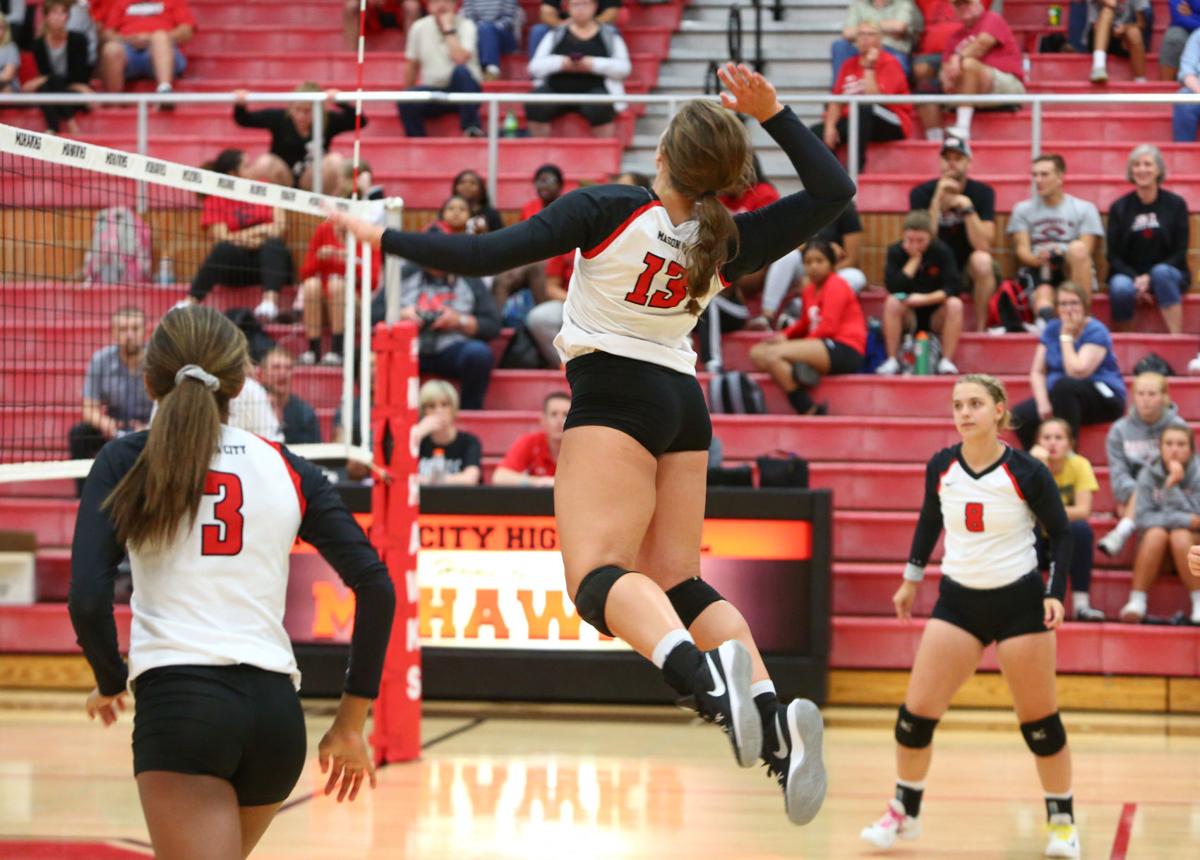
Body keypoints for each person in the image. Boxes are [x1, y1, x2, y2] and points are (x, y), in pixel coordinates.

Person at [327, 63, 857, 826]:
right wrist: (775, 113)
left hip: (614, 396)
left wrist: (382, 233)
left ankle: (710, 686)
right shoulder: (727, 238)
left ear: (665, 157)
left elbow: (485, 256)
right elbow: (835, 191)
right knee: (678, 582)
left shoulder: (607, 208)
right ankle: (772, 721)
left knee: (598, 581)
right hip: (684, 403)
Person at [68, 306, 395, 859]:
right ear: (240, 382)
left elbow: (87, 597)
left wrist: (109, 677)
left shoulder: (126, 458)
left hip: (182, 710)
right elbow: (376, 586)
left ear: (148, 379)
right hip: (274, 718)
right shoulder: (288, 466)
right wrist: (349, 723)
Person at [860, 374, 1079, 859]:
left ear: (999, 410)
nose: (964, 412)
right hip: (958, 603)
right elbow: (928, 520)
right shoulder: (942, 466)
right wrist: (911, 579)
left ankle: (1061, 820)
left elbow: (1063, 534)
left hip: (1020, 604)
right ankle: (904, 811)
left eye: (976, 403)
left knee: (1040, 725)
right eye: (958, 404)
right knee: (913, 719)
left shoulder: (1027, 472)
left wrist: (1055, 592)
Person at [748, 240, 866, 415]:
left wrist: (796, 347)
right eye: (808, 262)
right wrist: (785, 336)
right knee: (757, 353)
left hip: (844, 347)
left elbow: (828, 328)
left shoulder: (837, 284)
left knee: (773, 353)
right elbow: (804, 323)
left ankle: (803, 375)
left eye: (819, 261)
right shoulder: (809, 290)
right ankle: (807, 407)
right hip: (820, 344)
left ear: (832, 264)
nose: (814, 267)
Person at [178, 149, 292, 323]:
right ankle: (189, 303)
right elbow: (222, 238)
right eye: (247, 166)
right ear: (233, 173)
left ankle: (269, 305)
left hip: (269, 266)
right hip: (237, 269)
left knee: (274, 244)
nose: (253, 168)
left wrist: (239, 236)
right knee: (223, 249)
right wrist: (260, 232)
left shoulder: (266, 187)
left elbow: (280, 226)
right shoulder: (216, 199)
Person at [1010, 281, 1126, 451]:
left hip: (1103, 396)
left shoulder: (1096, 330)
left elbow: (1077, 371)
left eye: (1074, 303)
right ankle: (1040, 467)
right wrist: (1043, 402)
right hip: (1062, 398)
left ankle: (1069, 458)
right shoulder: (1051, 329)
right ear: (1057, 308)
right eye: (1063, 304)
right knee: (1021, 416)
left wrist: (1066, 336)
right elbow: (1037, 371)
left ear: (1084, 305)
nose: (1069, 309)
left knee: (1065, 386)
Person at [908, 135, 998, 332]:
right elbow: (922, 243)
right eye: (946, 158)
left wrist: (967, 208)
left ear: (968, 162)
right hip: (933, 265)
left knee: (982, 261)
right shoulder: (921, 193)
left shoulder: (983, 193)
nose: (951, 163)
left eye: (958, 158)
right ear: (939, 162)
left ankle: (981, 328)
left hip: (967, 268)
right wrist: (937, 200)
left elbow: (983, 245)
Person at [1008, 154, 1104, 327]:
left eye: (1044, 174)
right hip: (1039, 268)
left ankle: (1082, 321)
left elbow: (1086, 249)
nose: (1038, 180)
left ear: (1060, 177)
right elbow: (1022, 251)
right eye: (1035, 175)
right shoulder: (1022, 209)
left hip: (1070, 267)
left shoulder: (1084, 208)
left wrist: (1062, 254)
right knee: (1043, 294)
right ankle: (1047, 323)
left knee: (1077, 249)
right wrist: (1039, 259)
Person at [1099, 372, 1188, 556]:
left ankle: (1121, 531)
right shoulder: (1119, 430)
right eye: (1140, 394)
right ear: (1133, 396)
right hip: (1132, 495)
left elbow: (1185, 471)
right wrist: (1134, 495)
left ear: (1164, 397)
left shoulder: (1178, 427)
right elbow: (1118, 473)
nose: (1145, 400)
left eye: (1152, 394)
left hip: (1171, 493)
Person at [1105, 144, 1190, 334]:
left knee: (1162, 273)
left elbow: (1180, 251)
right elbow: (1113, 256)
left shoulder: (1176, 205)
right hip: (1129, 275)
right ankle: (1124, 342)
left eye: (1147, 164)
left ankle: (1176, 338)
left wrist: (1150, 277)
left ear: (1158, 169)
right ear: (1130, 170)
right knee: (1120, 288)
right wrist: (1137, 279)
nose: (1142, 169)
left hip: (1169, 273)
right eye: (1136, 165)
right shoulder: (1119, 208)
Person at [1120, 424, 1200, 624]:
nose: (1174, 449)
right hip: (1156, 550)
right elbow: (1143, 518)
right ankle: (1137, 601)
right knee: (1157, 533)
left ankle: (1199, 602)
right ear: (1160, 448)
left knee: (1180, 535)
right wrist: (1182, 519)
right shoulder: (1148, 474)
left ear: (1191, 449)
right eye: (1169, 443)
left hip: (1191, 547)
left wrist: (1172, 487)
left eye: (1181, 444)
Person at [68, 307, 153, 494]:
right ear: (114, 332)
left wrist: (150, 427)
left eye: (135, 328)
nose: (129, 335)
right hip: (114, 428)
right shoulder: (101, 360)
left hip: (150, 429)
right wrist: (106, 424)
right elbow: (89, 408)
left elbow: (168, 406)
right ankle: (83, 496)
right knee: (79, 433)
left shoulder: (157, 360)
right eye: (123, 329)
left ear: (145, 330)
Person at [400, 257, 500, 410]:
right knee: (382, 356)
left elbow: (492, 325)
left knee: (479, 354)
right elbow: (373, 314)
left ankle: (469, 413)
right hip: (411, 347)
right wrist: (401, 315)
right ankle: (398, 412)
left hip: (453, 346)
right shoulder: (405, 274)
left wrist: (458, 320)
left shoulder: (469, 277)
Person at [1030, 418, 1106, 621]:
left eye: (1058, 437)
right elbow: (1024, 511)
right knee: (1029, 529)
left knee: (1081, 529)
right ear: (1037, 442)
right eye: (1046, 438)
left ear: (1070, 443)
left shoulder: (1080, 465)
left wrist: (1046, 511)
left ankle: (1081, 605)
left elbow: (1083, 511)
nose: (1052, 443)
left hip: (1064, 543)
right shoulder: (1029, 467)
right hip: (1037, 544)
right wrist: (1038, 468)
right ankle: (1029, 604)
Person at [919, 0, 1024, 141]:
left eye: (967, 3)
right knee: (925, 89)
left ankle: (962, 127)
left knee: (969, 64)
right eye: (958, 5)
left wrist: (958, 57)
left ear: (978, 3)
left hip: (1005, 83)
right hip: (968, 88)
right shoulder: (955, 37)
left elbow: (982, 44)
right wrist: (947, 79)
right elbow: (945, 69)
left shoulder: (991, 18)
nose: (963, 7)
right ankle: (935, 141)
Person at [813, 21, 912, 171]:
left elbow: (875, 99)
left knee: (864, 107)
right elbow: (837, 99)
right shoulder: (848, 64)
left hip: (892, 121)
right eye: (861, 34)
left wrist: (869, 67)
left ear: (880, 39)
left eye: (870, 34)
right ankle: (834, 176)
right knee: (816, 132)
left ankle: (855, 167)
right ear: (856, 40)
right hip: (859, 120)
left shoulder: (890, 63)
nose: (865, 38)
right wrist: (830, 126)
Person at [526, 0, 631, 139]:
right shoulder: (555, 34)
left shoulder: (609, 35)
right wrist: (561, 63)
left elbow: (624, 68)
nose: (580, 9)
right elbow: (534, 67)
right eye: (575, 5)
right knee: (536, 103)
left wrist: (592, 64)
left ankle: (602, 154)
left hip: (595, 89)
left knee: (601, 106)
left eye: (585, 4)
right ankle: (539, 152)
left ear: (594, 7)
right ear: (568, 8)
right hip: (556, 89)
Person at [877, 209, 963, 376]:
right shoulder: (895, 251)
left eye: (920, 241)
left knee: (955, 304)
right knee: (892, 302)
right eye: (910, 239)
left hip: (934, 314)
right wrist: (914, 260)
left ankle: (946, 361)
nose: (915, 245)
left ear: (930, 237)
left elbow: (953, 287)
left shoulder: (942, 251)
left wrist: (923, 299)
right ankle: (892, 360)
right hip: (908, 315)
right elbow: (894, 287)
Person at [758, 200, 867, 327]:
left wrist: (822, 275)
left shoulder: (846, 209)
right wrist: (821, 250)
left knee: (857, 277)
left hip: (834, 270)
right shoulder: (802, 204)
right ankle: (767, 316)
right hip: (807, 267)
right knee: (787, 257)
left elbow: (852, 259)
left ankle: (804, 310)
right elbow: (787, 245)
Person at [233, 84, 362, 191]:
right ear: (291, 107)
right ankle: (273, 208)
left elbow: (360, 121)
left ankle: (325, 211)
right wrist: (240, 104)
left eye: (307, 111)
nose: (301, 116)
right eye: (297, 109)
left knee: (335, 161)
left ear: (319, 109)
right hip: (284, 179)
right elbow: (244, 120)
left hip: (312, 180)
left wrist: (341, 102)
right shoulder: (280, 117)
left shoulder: (327, 120)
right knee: (264, 162)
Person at [298, 209, 381, 366]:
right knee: (311, 285)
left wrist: (347, 259)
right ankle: (313, 350)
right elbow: (305, 274)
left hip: (355, 304)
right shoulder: (323, 230)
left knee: (337, 284)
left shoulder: (367, 234)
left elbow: (372, 282)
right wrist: (319, 258)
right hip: (323, 305)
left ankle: (338, 350)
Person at [398, 0, 483, 138]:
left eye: (447, 1)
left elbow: (460, 58)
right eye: (436, 1)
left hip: (466, 90)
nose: (441, 5)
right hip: (434, 91)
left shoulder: (467, 25)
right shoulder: (418, 27)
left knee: (461, 72)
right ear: (428, 5)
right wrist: (409, 94)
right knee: (405, 99)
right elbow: (412, 65)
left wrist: (448, 28)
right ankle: (418, 143)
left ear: (455, 5)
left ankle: (472, 128)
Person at [98, 0, 194, 103]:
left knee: (160, 37)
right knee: (111, 49)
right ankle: (114, 102)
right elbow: (107, 33)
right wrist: (127, 39)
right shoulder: (121, 2)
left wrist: (152, 38)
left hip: (163, 51)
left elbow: (186, 31)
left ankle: (164, 91)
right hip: (128, 50)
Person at [24, 0, 95, 134]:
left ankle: (52, 129)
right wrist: (49, 79)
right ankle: (70, 122)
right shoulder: (38, 44)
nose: (58, 17)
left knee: (45, 87)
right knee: (46, 88)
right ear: (46, 17)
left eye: (62, 13)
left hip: (74, 94)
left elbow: (80, 76)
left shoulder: (79, 40)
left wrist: (44, 79)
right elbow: (48, 75)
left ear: (67, 17)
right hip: (57, 92)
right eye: (54, 13)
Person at [492, 391, 570, 485]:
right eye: (554, 414)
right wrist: (538, 482)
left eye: (565, 415)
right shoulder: (530, 442)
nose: (559, 421)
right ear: (543, 420)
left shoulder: (582, 446)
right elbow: (499, 477)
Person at [830, 0, 922, 78]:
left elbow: (899, 27)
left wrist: (865, 28)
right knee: (840, 46)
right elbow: (847, 33)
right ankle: (840, 95)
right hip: (861, 49)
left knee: (898, 61)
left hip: (890, 49)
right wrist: (885, 28)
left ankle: (890, 97)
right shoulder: (859, 4)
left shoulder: (902, 2)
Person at [415, 379, 482, 485]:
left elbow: (470, 479)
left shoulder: (469, 442)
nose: (438, 411)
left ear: (454, 408)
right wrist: (417, 433)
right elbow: (403, 477)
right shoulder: (419, 440)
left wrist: (431, 481)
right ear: (423, 411)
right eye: (431, 406)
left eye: (444, 404)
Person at [259, 347, 321, 445]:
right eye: (276, 367)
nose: (282, 373)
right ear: (263, 374)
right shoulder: (251, 407)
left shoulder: (305, 412)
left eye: (288, 368)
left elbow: (316, 450)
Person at [528, 0, 620, 57]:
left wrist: (589, 25)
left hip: (596, 26)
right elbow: (546, 13)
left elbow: (611, 14)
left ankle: (609, 73)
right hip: (562, 26)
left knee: (612, 30)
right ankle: (538, 77)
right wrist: (565, 26)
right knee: (538, 31)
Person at [1087, 0, 1150, 84]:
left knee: (1134, 32)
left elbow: (1141, 24)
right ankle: (1098, 67)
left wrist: (1125, 28)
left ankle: (1140, 79)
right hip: (1098, 36)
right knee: (1107, 11)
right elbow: (1095, 25)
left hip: (1121, 36)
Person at [460, 0, 521, 79]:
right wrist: (482, 31)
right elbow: (469, 19)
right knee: (482, 30)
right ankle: (491, 71)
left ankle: (491, 71)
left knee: (486, 29)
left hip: (503, 35)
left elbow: (509, 19)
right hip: (478, 34)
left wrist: (490, 30)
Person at [343, 0, 422, 51]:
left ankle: (412, 56)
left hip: (398, 11)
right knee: (351, 6)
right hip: (372, 13)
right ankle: (351, 55)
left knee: (412, 6)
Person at [453, 169, 504, 233]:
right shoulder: (448, 212)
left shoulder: (491, 214)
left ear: (481, 189)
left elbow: (499, 239)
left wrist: (484, 234)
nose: (467, 186)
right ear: (455, 187)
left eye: (472, 183)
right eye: (462, 182)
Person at [1172, 27, 1200, 140]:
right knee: (1184, 99)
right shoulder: (1197, 36)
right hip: (1198, 91)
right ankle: (1183, 153)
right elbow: (1187, 73)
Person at [1161, 0, 1200, 81]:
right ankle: (1166, 88)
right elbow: (1178, 17)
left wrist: (1192, 15)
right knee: (1174, 37)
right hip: (1184, 28)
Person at [0, 11, 20, 92]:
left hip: (6, 85)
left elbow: (8, 75)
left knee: (5, 89)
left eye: (0, 27)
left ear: (5, 30)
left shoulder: (11, 47)